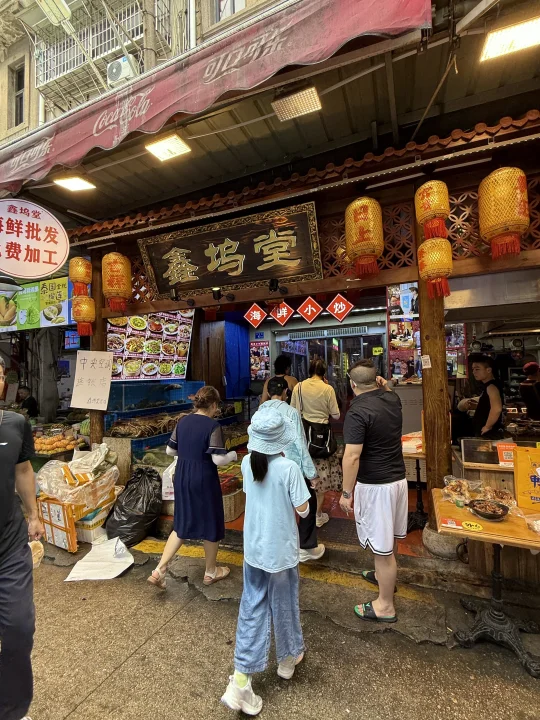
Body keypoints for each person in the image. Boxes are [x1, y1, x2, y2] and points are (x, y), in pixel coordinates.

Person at [221, 407, 311, 716]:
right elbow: (304, 511)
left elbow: (253, 495)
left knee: (252, 607)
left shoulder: (247, 463)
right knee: (284, 603)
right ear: (280, 440)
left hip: (254, 548)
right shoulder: (288, 468)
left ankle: (242, 678)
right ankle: (286, 660)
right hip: (281, 551)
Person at [147, 386, 237, 589]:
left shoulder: (183, 421)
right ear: (213, 405)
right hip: (204, 477)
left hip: (183, 475)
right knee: (211, 522)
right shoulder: (213, 426)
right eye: (217, 406)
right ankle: (211, 571)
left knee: (181, 524)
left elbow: (170, 450)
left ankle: (159, 569)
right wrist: (232, 455)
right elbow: (217, 460)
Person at [340, 360, 406, 623]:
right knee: (389, 539)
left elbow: (352, 457)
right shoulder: (392, 399)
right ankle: (383, 578)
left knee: (382, 551)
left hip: (377, 486)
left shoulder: (357, 411)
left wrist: (346, 493)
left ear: (352, 384)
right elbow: (389, 388)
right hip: (398, 481)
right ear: (376, 380)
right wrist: (384, 384)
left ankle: (385, 606)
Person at [0, 357, 44, 720]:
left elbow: (24, 469)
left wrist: (34, 515)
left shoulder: (15, 423)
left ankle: (12, 710)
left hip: (10, 546)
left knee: (19, 629)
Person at [264, 376, 325, 562]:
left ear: (268, 392)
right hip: (291, 467)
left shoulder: (260, 411)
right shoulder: (291, 412)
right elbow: (300, 444)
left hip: (267, 466)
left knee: (276, 506)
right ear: (285, 392)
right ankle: (306, 547)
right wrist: (311, 474)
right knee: (308, 503)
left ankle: (278, 545)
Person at [290, 360, 341, 527]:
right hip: (322, 441)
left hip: (304, 437)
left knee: (303, 477)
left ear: (309, 370)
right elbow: (336, 415)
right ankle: (318, 515)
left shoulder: (298, 387)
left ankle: (302, 514)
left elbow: (293, 412)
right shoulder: (328, 389)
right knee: (321, 477)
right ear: (324, 372)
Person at [457, 356, 503, 438]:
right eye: (473, 369)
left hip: (488, 432)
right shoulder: (488, 386)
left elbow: (497, 409)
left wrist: (487, 426)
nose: (474, 372)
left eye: (477, 369)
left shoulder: (491, 387)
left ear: (488, 370)